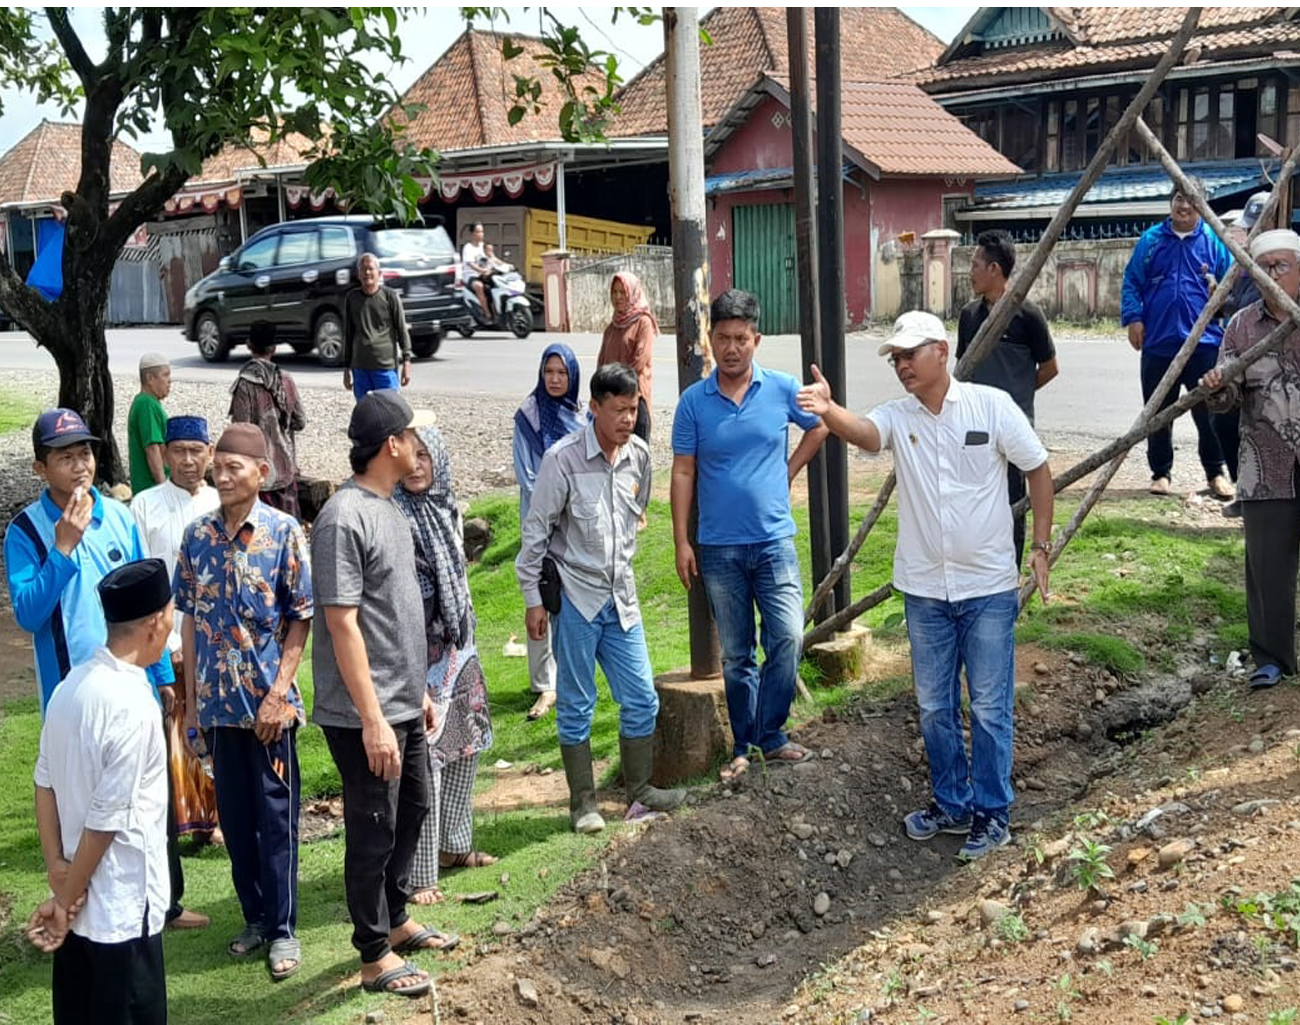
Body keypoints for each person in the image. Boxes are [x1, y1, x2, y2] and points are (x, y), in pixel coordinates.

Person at [797, 310, 1054, 860]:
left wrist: (1039, 546)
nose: (902, 365)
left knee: (987, 705)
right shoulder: (899, 415)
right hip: (925, 590)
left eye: (910, 354)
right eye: (895, 357)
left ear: (942, 351)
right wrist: (830, 410)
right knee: (935, 706)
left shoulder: (991, 406)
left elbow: (1037, 468)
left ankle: (992, 812)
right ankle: (952, 803)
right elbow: (867, 435)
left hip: (986, 586)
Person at [311, 390, 458, 999]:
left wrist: (418, 688)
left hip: (402, 698)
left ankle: (396, 920)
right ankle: (373, 957)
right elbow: (342, 622)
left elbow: (395, 615)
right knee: (373, 826)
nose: (419, 446)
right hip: (360, 710)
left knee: (415, 809)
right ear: (391, 445)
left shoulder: (391, 506)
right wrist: (372, 719)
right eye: (411, 436)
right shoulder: (343, 517)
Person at [517, 363, 685, 833]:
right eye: (618, 410)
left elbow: (637, 513)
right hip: (575, 600)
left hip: (621, 599)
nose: (627, 419)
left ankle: (640, 793)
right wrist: (533, 599)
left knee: (641, 699)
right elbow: (535, 534)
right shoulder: (562, 459)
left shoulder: (640, 458)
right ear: (594, 408)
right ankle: (583, 804)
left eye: (633, 409)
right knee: (576, 703)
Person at [670, 288, 829, 783]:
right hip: (718, 548)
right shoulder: (694, 403)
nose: (732, 347)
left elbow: (821, 424)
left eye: (741, 338)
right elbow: (681, 474)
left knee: (787, 635)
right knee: (737, 653)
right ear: (710, 341)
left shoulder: (781, 388)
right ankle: (745, 744)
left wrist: (789, 469)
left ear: (756, 339)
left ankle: (772, 733)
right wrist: (681, 541)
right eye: (723, 338)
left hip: (773, 541)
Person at [174, 423, 313, 981]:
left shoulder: (284, 534)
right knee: (234, 818)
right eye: (220, 465)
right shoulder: (196, 536)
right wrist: (189, 703)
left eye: (237, 467)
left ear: (262, 473)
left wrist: (278, 695)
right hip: (216, 710)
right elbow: (189, 620)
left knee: (275, 821)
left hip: (267, 712)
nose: (224, 475)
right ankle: (255, 917)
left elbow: (300, 621)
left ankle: (282, 930)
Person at [32, 559, 174, 1025]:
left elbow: (44, 784)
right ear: (156, 622)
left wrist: (59, 874)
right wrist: (63, 905)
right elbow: (104, 824)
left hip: (80, 910)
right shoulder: (133, 705)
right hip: (121, 912)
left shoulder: (71, 686)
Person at [5, 408, 174, 714]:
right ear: (40, 468)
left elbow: (149, 600)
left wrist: (161, 674)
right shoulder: (25, 531)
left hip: (134, 681)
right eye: (65, 458)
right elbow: (29, 615)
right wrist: (62, 549)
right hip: (70, 692)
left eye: (85, 453)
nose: (80, 466)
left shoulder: (119, 516)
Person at [394, 424, 496, 905]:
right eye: (407, 456)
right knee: (426, 762)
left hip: (458, 647)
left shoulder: (446, 506)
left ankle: (455, 848)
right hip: (421, 655)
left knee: (465, 748)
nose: (415, 466)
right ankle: (420, 871)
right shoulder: (393, 515)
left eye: (424, 456)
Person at [130, 414, 221, 931]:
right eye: (178, 451)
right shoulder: (144, 507)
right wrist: (163, 646)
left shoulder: (218, 501)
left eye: (196, 451)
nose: (188, 461)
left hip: (217, 642)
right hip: (165, 643)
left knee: (215, 726)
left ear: (208, 453)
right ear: (165, 455)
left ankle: (216, 820)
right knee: (175, 732)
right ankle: (185, 820)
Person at [1201, 229, 1300, 689]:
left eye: (1281, 266)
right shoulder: (1241, 325)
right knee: (1267, 567)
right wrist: (1218, 387)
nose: (1271, 277)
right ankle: (1272, 658)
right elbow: (1227, 400)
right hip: (1265, 466)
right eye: (1264, 269)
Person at [1121, 176, 1233, 499]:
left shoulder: (1214, 241)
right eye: (1179, 198)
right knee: (1157, 411)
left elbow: (1231, 287)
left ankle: (1216, 472)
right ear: (1171, 202)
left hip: (1204, 344)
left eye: (1191, 199)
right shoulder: (1151, 240)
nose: (1184, 205)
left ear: (1202, 204)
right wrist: (1134, 318)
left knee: (1210, 410)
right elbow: (1132, 281)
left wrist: (1222, 298)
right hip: (1158, 342)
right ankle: (1160, 473)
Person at [958, 229, 1059, 566]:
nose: (970, 271)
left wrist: (1019, 393)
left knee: (1013, 499)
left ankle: (1012, 570)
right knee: (974, 496)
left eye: (975, 264)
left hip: (1014, 426)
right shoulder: (969, 316)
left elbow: (1049, 368)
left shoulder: (1027, 314)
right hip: (973, 425)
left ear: (995, 269)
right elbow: (963, 368)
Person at [512, 343, 586, 721]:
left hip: (573, 522)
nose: (555, 380)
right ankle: (544, 685)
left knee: (570, 597)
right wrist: (551, 503)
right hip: (540, 520)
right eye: (549, 372)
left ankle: (570, 677)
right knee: (539, 596)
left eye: (562, 373)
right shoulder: (528, 416)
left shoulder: (581, 415)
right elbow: (526, 474)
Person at [1216, 191, 1271, 519]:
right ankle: (1245, 490)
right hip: (1240, 359)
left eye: (1251, 231)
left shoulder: (1279, 268)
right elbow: (1237, 310)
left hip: (1269, 363)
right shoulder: (1242, 270)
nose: (1245, 237)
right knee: (1224, 420)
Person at [230, 320, 307, 518]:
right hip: (286, 473)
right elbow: (300, 422)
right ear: (273, 348)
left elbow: (240, 435)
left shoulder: (245, 384)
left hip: (260, 479)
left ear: (248, 345)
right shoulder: (286, 379)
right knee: (287, 537)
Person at [343, 253, 413, 401]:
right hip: (360, 367)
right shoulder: (352, 298)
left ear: (379, 273)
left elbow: (401, 330)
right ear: (358, 274)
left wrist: (406, 362)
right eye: (363, 269)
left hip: (385, 366)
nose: (367, 273)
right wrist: (346, 368)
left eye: (370, 268)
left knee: (390, 410)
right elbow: (348, 334)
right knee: (366, 413)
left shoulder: (390, 296)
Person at [598, 272, 658, 443]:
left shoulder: (643, 323)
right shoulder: (612, 327)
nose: (618, 297)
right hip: (610, 401)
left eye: (622, 292)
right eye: (614, 292)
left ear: (632, 293)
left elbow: (639, 360)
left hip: (634, 400)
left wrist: (616, 384)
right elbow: (601, 363)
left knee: (637, 457)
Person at [128, 353, 172, 495]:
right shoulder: (146, 404)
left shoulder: (150, 402)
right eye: (165, 375)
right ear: (150, 379)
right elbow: (152, 449)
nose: (169, 381)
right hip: (151, 488)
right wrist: (162, 488)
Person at [461, 222, 492, 320]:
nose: (481, 234)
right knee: (479, 286)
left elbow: (492, 257)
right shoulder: (468, 248)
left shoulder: (484, 246)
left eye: (482, 231)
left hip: (484, 275)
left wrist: (505, 265)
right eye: (478, 231)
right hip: (471, 276)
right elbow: (471, 264)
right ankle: (487, 314)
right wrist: (483, 270)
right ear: (472, 233)